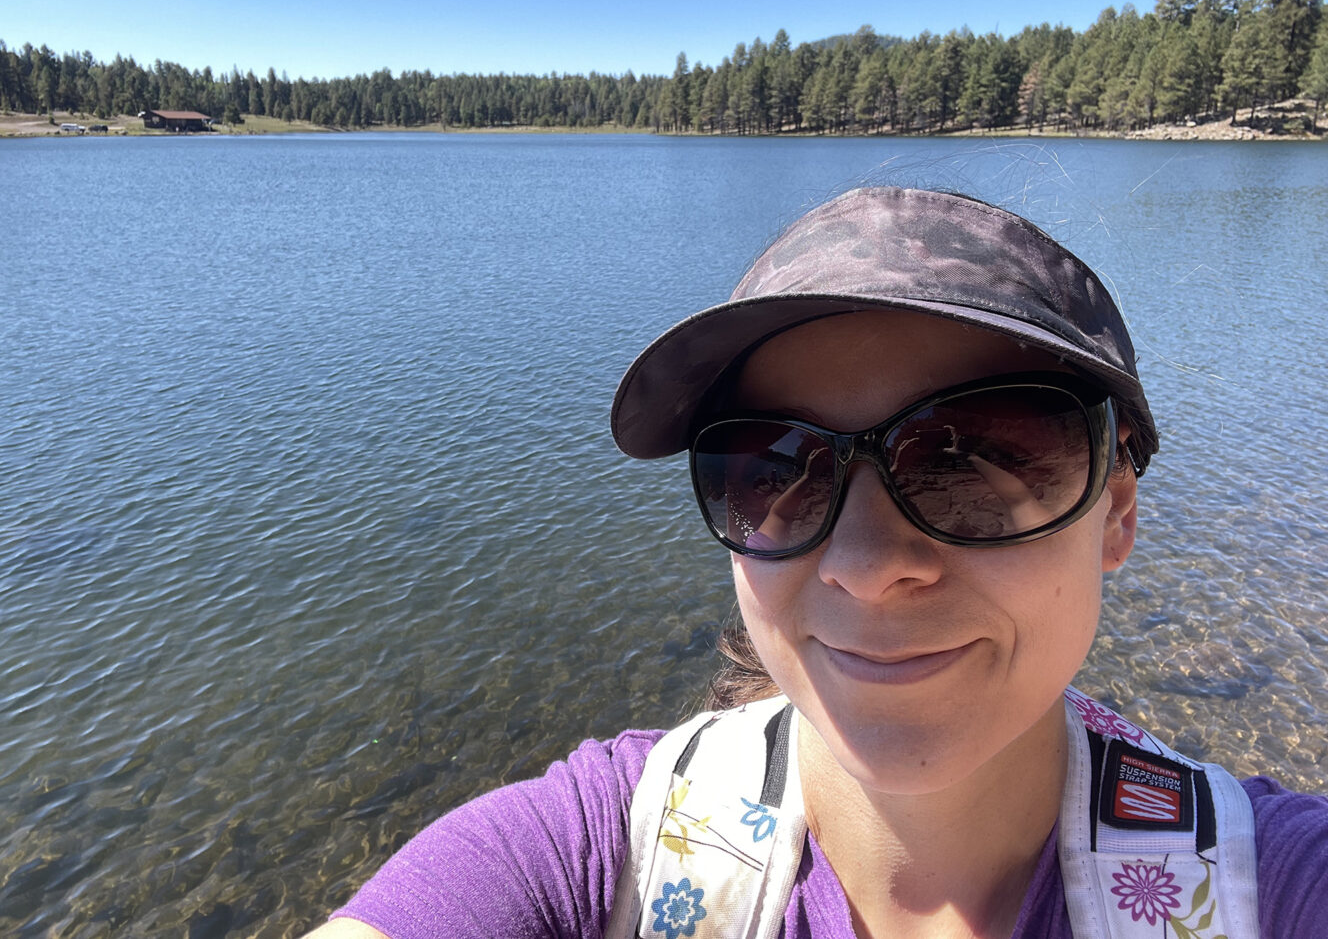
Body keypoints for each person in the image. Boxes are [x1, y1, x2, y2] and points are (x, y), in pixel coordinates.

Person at [307, 188, 1327, 939]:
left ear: (1112, 514)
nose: (866, 565)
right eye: (771, 466)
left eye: (973, 455)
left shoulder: (1268, 888)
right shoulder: (597, 855)